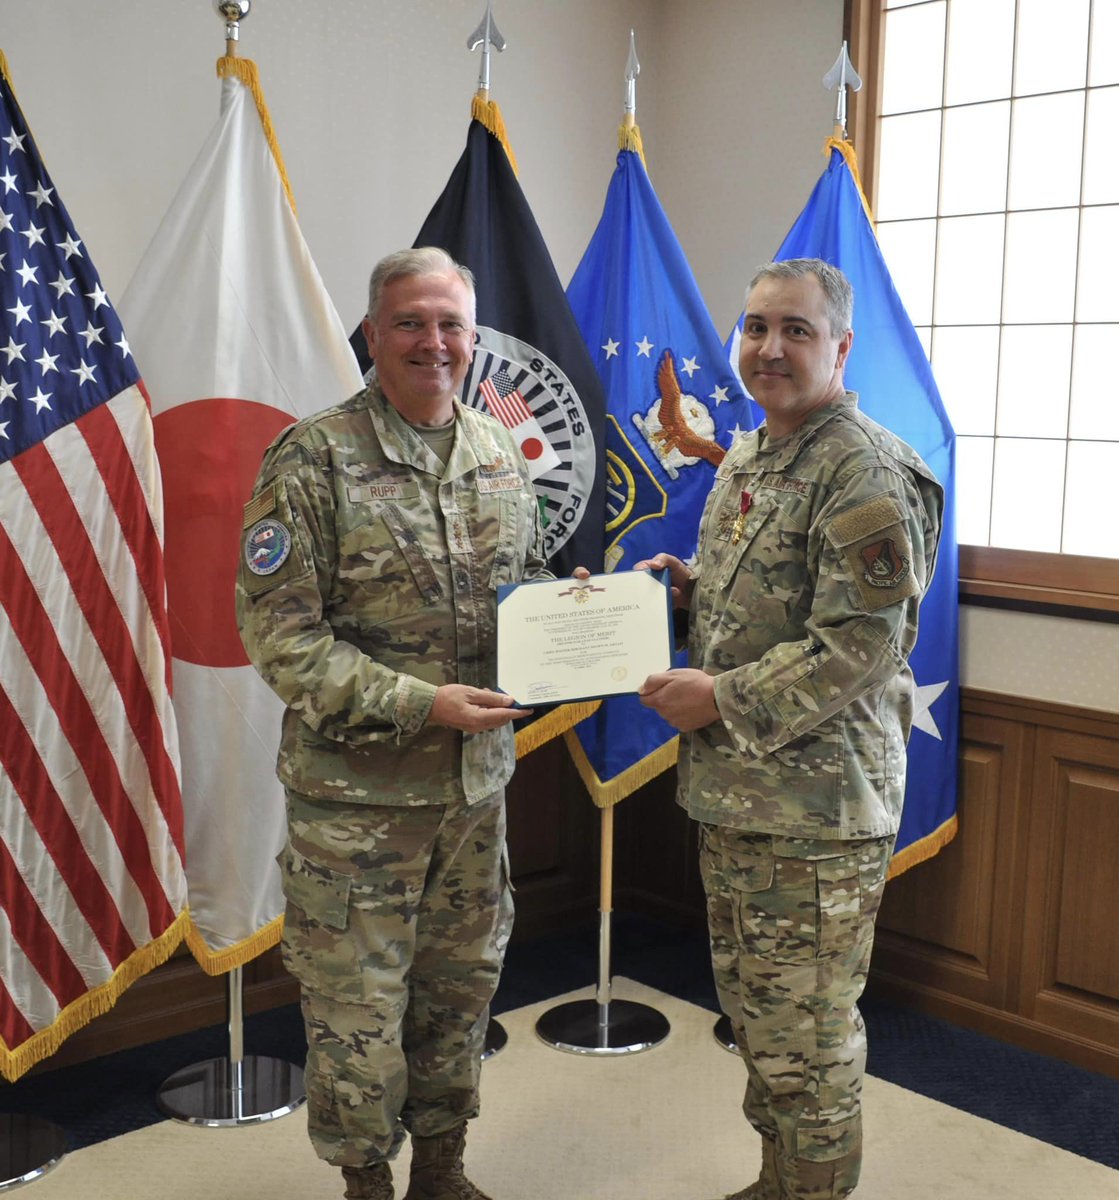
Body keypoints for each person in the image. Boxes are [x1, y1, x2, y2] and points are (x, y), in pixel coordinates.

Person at [235, 247, 550, 1200]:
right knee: (357, 1016)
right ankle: (366, 1184)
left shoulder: (499, 454)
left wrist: (568, 621)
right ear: (373, 335)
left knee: (458, 1000)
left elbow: (516, 599)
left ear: (473, 338)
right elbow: (281, 638)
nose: (433, 342)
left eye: (451, 324)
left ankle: (444, 1174)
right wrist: (423, 704)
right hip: (357, 806)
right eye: (411, 322)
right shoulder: (313, 456)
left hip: (471, 797)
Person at [635, 259, 943, 1200]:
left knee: (804, 1045)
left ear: (840, 348)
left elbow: (857, 647)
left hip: (813, 815)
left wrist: (720, 698)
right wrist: (688, 593)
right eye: (756, 325)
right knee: (760, 1023)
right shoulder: (754, 452)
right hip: (741, 799)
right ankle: (778, 1185)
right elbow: (766, 607)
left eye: (795, 331)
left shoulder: (863, 470)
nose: (769, 348)